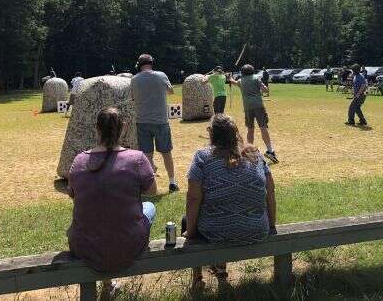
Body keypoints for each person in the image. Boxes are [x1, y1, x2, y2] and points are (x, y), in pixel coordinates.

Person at [68, 108, 157, 298]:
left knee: (99, 215)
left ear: (97, 129)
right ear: (123, 128)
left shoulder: (79, 160)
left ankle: (108, 284)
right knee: (149, 207)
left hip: (85, 247)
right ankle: (109, 285)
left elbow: (73, 194)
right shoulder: (137, 159)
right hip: (129, 243)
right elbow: (152, 191)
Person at [183, 114, 277, 290]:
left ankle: (197, 278)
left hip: (216, 232)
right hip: (257, 229)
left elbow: (193, 198)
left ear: (211, 133)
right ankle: (220, 268)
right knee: (229, 206)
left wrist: (190, 231)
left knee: (188, 221)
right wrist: (271, 224)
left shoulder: (203, 157)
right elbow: (270, 190)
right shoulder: (255, 154)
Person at [131, 54, 179, 192]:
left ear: (139, 65)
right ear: (152, 63)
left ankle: (150, 185)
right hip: (161, 121)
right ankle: (172, 182)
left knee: (147, 155)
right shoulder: (161, 75)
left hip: (142, 121)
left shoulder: (134, 79)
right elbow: (171, 91)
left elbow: (133, 98)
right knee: (166, 153)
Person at [230, 64, 278, 163]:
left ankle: (249, 151)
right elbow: (265, 90)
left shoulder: (241, 81)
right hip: (259, 106)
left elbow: (233, 82)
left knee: (250, 129)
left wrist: (229, 77)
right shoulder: (256, 78)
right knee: (263, 128)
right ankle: (270, 151)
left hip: (247, 107)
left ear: (242, 72)